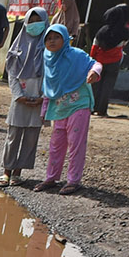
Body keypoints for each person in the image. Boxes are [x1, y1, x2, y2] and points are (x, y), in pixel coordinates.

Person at [33, 23, 102, 196]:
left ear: (65, 39)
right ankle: (51, 178)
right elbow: (49, 87)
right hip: (59, 108)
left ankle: (73, 181)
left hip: (79, 104)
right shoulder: (49, 59)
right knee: (56, 145)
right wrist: (44, 110)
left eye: (57, 37)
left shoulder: (76, 55)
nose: (52, 41)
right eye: (49, 38)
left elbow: (96, 64)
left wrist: (94, 73)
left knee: (75, 144)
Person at [0, 6, 48, 187]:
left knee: (31, 138)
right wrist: (18, 95)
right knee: (13, 136)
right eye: (30, 21)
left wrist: (44, 97)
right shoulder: (17, 46)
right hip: (19, 99)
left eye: (38, 21)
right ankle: (7, 171)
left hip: (39, 99)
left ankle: (18, 172)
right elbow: (12, 74)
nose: (34, 25)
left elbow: (52, 76)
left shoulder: (49, 49)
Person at [89, 3, 129, 117]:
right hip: (114, 62)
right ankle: (102, 110)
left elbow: (94, 47)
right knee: (107, 87)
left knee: (95, 85)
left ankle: (91, 107)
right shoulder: (125, 31)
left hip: (99, 62)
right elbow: (123, 45)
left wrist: (92, 59)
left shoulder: (102, 31)